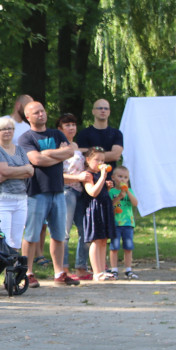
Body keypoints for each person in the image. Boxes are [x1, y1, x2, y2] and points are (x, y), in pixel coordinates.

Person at [17, 101, 80, 287]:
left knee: (59, 234)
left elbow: (70, 152)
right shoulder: (25, 138)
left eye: (42, 111)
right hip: (36, 192)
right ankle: (27, 273)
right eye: (36, 113)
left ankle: (59, 273)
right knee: (32, 234)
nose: (41, 115)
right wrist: (56, 154)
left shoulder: (57, 133)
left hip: (58, 191)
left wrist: (47, 154)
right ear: (28, 117)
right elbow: (36, 159)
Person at [0, 116, 34, 251]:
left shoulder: (19, 149)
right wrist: (19, 171)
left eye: (10, 128)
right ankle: (1, 268)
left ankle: (13, 270)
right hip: (2, 199)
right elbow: (4, 170)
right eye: (3, 129)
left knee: (17, 240)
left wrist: (8, 175)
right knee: (3, 239)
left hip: (21, 199)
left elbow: (31, 172)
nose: (7, 131)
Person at [56, 114, 92, 280]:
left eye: (73, 124)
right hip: (66, 191)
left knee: (85, 230)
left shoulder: (76, 145)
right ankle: (63, 268)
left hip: (81, 191)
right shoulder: (58, 147)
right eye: (67, 125)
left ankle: (81, 266)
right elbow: (57, 174)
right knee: (64, 231)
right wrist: (78, 178)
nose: (71, 127)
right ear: (60, 129)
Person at [81, 148, 116, 281]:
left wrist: (106, 186)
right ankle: (96, 271)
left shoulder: (99, 176)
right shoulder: (88, 175)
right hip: (94, 210)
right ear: (88, 160)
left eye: (103, 160)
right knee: (96, 240)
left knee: (103, 240)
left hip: (105, 208)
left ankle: (102, 270)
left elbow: (101, 190)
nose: (100, 163)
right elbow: (92, 192)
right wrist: (102, 177)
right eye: (97, 160)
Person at [108, 166, 138, 279]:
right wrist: (120, 196)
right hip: (116, 223)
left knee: (128, 247)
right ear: (113, 178)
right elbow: (110, 205)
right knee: (114, 247)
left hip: (128, 223)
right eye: (120, 176)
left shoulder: (129, 191)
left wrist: (127, 192)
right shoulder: (112, 191)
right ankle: (114, 269)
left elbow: (135, 203)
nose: (122, 180)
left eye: (125, 177)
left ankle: (128, 269)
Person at [76, 99, 124, 169]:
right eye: (100, 108)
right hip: (89, 177)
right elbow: (82, 156)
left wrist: (93, 156)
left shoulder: (117, 133)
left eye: (106, 108)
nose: (103, 110)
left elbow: (115, 155)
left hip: (111, 177)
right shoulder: (83, 134)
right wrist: (109, 155)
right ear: (93, 111)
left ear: (109, 112)